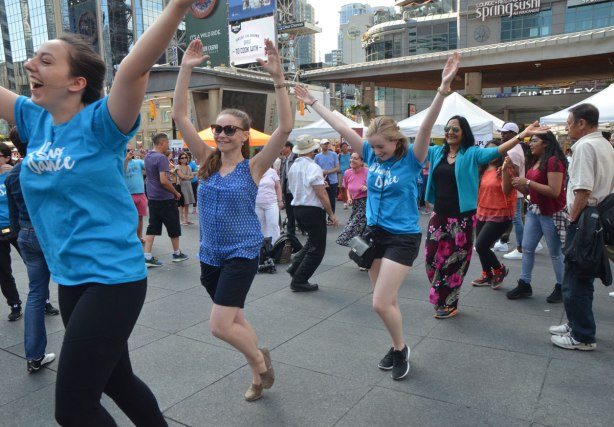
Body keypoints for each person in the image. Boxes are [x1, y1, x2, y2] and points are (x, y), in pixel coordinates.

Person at [0, 2, 195, 424]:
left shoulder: (101, 123)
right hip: (70, 278)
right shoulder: (37, 122)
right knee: (116, 379)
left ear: (76, 82)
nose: (30, 63)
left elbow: (133, 70)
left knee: (72, 411)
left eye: (44, 60)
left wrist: (179, 4)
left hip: (113, 278)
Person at [294, 52, 460, 381]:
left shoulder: (412, 158)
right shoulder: (369, 151)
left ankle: (400, 350)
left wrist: (442, 89)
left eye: (381, 148)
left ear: (396, 141)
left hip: (402, 238)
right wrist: (313, 101)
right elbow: (340, 125)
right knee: (386, 301)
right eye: (372, 149)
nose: (375, 154)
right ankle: (396, 345)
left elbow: (426, 126)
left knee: (380, 303)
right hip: (373, 235)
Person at [172, 37, 292, 401]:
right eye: (217, 129)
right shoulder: (206, 161)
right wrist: (186, 68)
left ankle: (260, 363)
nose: (221, 134)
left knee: (220, 325)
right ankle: (257, 374)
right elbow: (180, 115)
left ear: (244, 135)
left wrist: (278, 77)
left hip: (242, 251)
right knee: (236, 319)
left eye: (229, 130)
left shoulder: (254, 166)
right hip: (210, 254)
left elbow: (285, 128)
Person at [424, 120, 547, 319]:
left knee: (454, 264)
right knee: (431, 261)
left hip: (462, 219)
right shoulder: (437, 152)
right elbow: (415, 147)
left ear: (464, 133)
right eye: (447, 128)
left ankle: (449, 303)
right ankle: (441, 293)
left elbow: (496, 150)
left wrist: (522, 134)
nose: (450, 132)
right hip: (438, 217)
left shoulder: (472, 153)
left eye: (456, 129)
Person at [550, 103, 614, 351]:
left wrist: (572, 218)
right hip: (597, 216)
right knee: (580, 276)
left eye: (569, 122)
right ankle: (575, 324)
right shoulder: (604, 144)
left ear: (581, 123)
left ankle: (583, 335)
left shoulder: (586, 147)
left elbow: (583, 190)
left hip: (586, 217)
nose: (567, 126)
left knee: (576, 277)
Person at [5, 129, 57, 372]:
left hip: (26, 233)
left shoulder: (13, 174)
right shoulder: (50, 168)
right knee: (75, 288)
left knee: (35, 293)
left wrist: (20, 234)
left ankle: (34, 356)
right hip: (51, 233)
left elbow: (15, 214)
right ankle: (86, 353)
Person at [506, 131, 568, 304]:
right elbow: (531, 189)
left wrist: (527, 182)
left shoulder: (553, 161)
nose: (530, 144)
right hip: (535, 210)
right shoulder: (535, 161)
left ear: (546, 143)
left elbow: (554, 192)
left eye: (534, 141)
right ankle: (524, 283)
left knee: (555, 253)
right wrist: (518, 181)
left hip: (551, 213)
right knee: (527, 248)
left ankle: (562, 287)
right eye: (530, 141)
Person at [286, 136, 339, 291]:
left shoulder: (294, 166)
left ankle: (295, 266)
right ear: (312, 150)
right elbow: (322, 194)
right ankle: (299, 279)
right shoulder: (313, 167)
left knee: (312, 242)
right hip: (312, 210)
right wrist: (331, 214)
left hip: (298, 208)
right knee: (318, 248)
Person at [470, 140, 515, 289]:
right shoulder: (482, 169)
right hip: (482, 211)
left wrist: (504, 171)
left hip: (500, 213)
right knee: (482, 247)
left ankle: (499, 270)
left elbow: (507, 191)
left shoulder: (506, 168)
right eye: (488, 151)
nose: (492, 154)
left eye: (495, 150)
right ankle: (487, 274)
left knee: (481, 245)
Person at [143, 133, 188, 267]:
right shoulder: (161, 158)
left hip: (152, 197)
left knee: (153, 226)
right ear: (161, 143)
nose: (168, 145)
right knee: (173, 225)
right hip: (165, 197)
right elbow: (163, 180)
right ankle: (177, 253)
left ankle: (147, 256)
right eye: (167, 143)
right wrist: (175, 192)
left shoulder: (148, 156)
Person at [0, 142, 22, 322]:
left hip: (17, 226)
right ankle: (14, 304)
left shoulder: (14, 174)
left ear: (7, 157)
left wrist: (11, 174)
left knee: (35, 266)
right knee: (3, 271)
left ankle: (43, 300)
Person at [335, 152, 368, 247]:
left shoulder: (367, 172)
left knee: (352, 226)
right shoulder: (347, 172)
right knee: (357, 226)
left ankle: (359, 245)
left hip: (366, 202)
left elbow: (376, 187)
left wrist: (367, 188)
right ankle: (360, 246)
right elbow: (348, 188)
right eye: (351, 158)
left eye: (355, 158)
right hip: (356, 203)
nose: (352, 160)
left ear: (362, 161)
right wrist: (349, 198)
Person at [124, 142, 147, 243]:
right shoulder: (121, 161)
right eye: (128, 151)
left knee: (140, 217)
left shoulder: (138, 162)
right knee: (128, 218)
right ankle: (129, 237)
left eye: (131, 150)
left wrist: (144, 156)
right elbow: (121, 171)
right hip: (128, 194)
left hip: (141, 193)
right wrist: (126, 159)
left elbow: (148, 167)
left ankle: (139, 236)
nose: (130, 152)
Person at [314, 138, 340, 223]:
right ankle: (322, 218)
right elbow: (315, 168)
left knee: (332, 199)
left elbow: (337, 168)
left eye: (327, 143)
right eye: (324, 144)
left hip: (332, 180)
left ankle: (331, 218)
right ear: (321, 145)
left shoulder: (334, 154)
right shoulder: (317, 156)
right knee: (322, 199)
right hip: (321, 180)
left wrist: (327, 171)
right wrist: (321, 172)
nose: (326, 145)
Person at [256, 167, 283, 243]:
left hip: (271, 203)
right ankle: (263, 248)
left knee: (273, 225)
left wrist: (280, 200)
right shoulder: (254, 170)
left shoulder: (272, 172)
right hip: (257, 204)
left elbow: (278, 187)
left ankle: (276, 246)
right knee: (260, 227)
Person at [279, 141, 298, 235]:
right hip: (286, 185)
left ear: (288, 148)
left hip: (295, 186)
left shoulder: (295, 158)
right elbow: (283, 174)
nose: (281, 149)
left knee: (297, 208)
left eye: (283, 147)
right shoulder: (284, 159)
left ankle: (302, 227)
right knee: (289, 209)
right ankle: (291, 230)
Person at [176, 152, 196, 225]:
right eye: (182, 158)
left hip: (188, 186)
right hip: (181, 186)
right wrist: (188, 176)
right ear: (179, 159)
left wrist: (187, 177)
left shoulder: (189, 167)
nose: (184, 159)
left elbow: (191, 177)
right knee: (182, 204)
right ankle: (181, 220)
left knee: (187, 204)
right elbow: (182, 176)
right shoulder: (178, 167)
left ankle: (186, 220)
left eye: (185, 158)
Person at [338, 141, 351, 208]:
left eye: (346, 147)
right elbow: (337, 164)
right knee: (341, 188)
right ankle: (345, 203)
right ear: (341, 148)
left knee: (349, 187)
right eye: (343, 147)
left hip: (349, 174)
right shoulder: (339, 156)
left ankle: (350, 200)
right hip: (341, 174)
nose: (345, 148)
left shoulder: (351, 154)